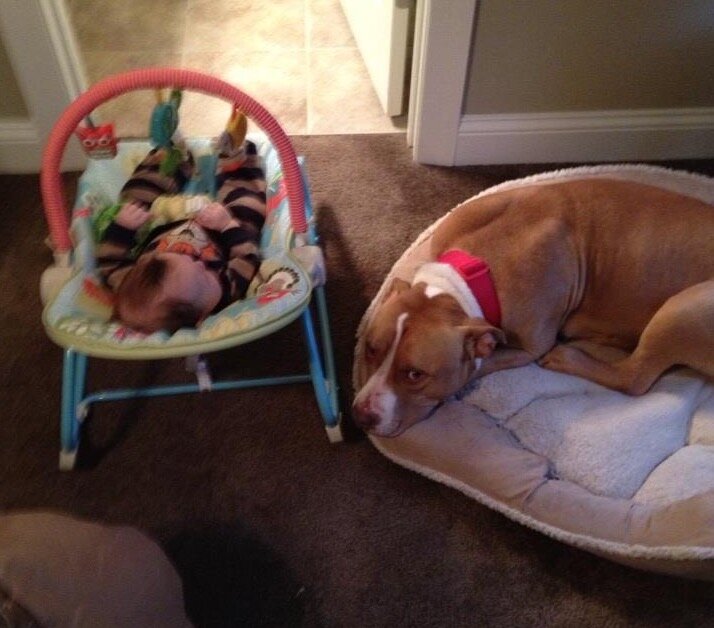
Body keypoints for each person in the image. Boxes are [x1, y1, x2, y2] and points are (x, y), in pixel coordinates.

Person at [96, 132, 266, 334]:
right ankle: (236, 163)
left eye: (179, 257)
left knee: (133, 199)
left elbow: (109, 262)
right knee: (249, 210)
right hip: (217, 229)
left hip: (157, 221)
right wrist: (227, 225)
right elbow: (246, 256)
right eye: (205, 275)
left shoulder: (129, 288)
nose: (198, 262)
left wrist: (122, 228)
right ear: (201, 318)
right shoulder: (227, 290)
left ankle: (170, 157)